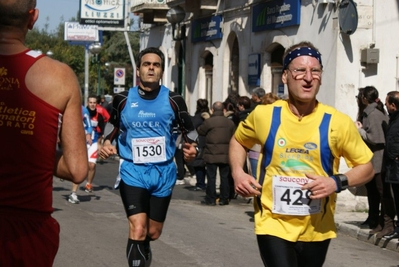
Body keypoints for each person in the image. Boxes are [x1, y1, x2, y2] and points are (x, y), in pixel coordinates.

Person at [229, 41, 374, 267]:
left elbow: (367, 167)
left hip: (317, 228)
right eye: (299, 70)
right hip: (272, 222)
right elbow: (238, 141)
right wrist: (238, 172)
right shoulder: (264, 115)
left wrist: (336, 182)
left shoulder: (337, 122)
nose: (308, 77)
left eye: (314, 70)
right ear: (285, 76)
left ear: (321, 77)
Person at [0, 1, 88, 266]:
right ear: (33, 17)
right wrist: (31, 154)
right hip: (27, 231)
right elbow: (77, 170)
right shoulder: (59, 77)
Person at [99, 47, 197, 267]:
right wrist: (106, 143)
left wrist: (193, 149)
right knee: (138, 227)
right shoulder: (123, 99)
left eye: (156, 65)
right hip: (133, 171)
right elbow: (112, 125)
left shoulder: (174, 100)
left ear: (161, 71)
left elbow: (189, 131)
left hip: (163, 172)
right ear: (138, 69)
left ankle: (144, 247)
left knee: (152, 232)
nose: (151, 68)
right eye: (146, 64)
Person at [355, 86, 395, 238]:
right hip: (370, 160)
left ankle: (386, 224)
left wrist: (359, 130)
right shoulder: (369, 113)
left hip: (378, 160)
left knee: (382, 192)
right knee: (373, 193)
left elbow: (376, 138)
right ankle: (375, 220)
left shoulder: (374, 114)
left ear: (365, 98)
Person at [68, 95, 106, 204]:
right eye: (90, 102)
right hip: (80, 142)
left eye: (94, 102)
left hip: (92, 141)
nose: (92, 104)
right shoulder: (70, 109)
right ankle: (73, 193)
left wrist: (91, 136)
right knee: (80, 166)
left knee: (92, 165)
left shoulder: (84, 111)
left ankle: (89, 183)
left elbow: (90, 125)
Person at [198, 101, 236, 206]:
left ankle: (211, 199)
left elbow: (201, 131)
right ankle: (224, 198)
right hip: (226, 154)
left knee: (211, 177)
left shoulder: (209, 122)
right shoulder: (230, 123)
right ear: (224, 110)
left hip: (211, 153)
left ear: (212, 110)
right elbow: (234, 135)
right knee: (224, 177)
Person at [383, 91, 399, 240]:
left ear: (393, 105)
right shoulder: (393, 119)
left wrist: (395, 156)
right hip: (393, 168)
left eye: (386, 103)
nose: (385, 106)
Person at [188, 98, 211, 191]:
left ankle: (200, 183)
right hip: (209, 142)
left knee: (198, 164)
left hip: (199, 142)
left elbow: (192, 129)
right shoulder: (209, 116)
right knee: (204, 164)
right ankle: (203, 183)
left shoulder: (197, 118)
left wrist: (191, 141)